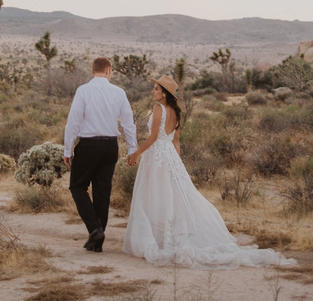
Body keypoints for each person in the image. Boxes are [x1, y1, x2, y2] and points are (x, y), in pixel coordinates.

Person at [123, 74, 296, 269]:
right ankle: (166, 235)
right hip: (170, 156)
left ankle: (160, 237)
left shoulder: (158, 109)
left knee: (156, 195)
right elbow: (176, 140)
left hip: (157, 156)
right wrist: (177, 163)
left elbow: (154, 136)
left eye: (156, 89)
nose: (152, 91)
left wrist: (136, 153)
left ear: (164, 94)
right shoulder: (175, 112)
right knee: (173, 195)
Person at [64, 56, 138, 252]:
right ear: (108, 71)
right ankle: (97, 242)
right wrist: (132, 149)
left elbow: (74, 122)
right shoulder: (119, 92)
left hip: (88, 145)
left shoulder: (83, 91)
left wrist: (67, 148)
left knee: (77, 186)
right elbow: (128, 123)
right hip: (110, 146)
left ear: (92, 71)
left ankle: (95, 229)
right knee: (102, 192)